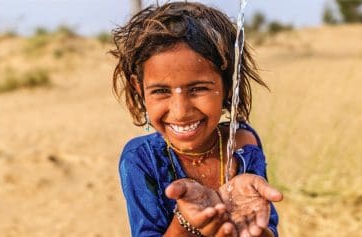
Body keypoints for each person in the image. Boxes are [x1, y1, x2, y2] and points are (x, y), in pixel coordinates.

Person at [111, 2, 283, 237]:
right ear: (138, 88)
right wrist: (185, 223)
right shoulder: (142, 159)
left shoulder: (243, 143)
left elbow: (266, 228)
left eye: (198, 89)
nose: (180, 111)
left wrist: (255, 230)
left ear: (228, 86)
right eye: (161, 91)